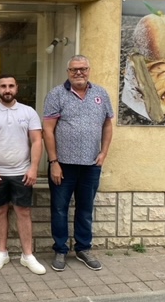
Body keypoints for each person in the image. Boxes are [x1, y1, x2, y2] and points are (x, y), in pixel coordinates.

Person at [42, 55, 113, 272]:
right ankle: (61, 250)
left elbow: (108, 125)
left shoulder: (100, 94)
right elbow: (47, 129)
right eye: (74, 70)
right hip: (63, 165)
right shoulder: (56, 94)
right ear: (68, 72)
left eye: (82, 69)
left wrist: (103, 153)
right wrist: (53, 161)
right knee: (60, 209)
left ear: (89, 70)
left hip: (91, 164)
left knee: (85, 209)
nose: (78, 73)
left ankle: (83, 249)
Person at [0, 74, 46, 275]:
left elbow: (36, 141)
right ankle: (2, 252)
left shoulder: (28, 112)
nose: (7, 89)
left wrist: (33, 168)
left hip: (21, 172)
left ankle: (27, 255)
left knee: (23, 212)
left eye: (11, 86)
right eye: (3, 86)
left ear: (17, 88)